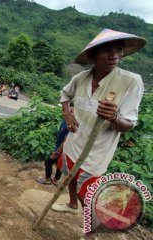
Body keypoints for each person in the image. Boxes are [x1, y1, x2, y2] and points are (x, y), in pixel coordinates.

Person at [51, 29, 146, 240]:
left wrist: (114, 118)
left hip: (96, 154)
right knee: (70, 177)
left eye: (118, 50)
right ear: (93, 56)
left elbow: (128, 124)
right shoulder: (81, 78)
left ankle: (89, 233)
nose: (114, 55)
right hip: (73, 142)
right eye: (107, 51)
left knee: (90, 196)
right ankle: (71, 204)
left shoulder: (131, 81)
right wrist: (67, 115)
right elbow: (65, 95)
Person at [36, 104, 72, 185]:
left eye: (71, 112)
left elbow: (66, 140)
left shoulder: (70, 125)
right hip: (61, 147)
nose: (67, 113)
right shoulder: (65, 121)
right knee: (59, 164)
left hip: (62, 149)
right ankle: (55, 180)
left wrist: (57, 151)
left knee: (48, 162)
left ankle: (47, 179)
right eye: (67, 110)